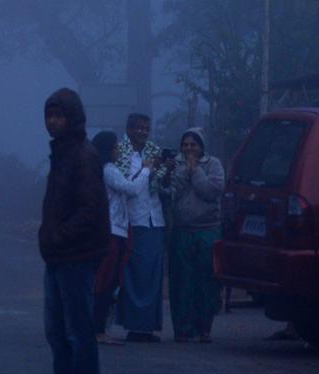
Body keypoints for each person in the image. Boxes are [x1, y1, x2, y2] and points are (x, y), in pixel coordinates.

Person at [34, 89, 109, 374]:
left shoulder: (84, 155)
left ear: (73, 117)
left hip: (77, 257)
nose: (53, 121)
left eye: (59, 115)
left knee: (79, 334)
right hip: (58, 257)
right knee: (57, 332)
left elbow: (90, 211)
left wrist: (56, 238)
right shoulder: (61, 154)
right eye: (50, 115)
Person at [91, 130, 149, 345]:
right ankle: (98, 329)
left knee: (109, 280)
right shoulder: (109, 170)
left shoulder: (105, 170)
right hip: (113, 230)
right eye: (115, 147)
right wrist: (145, 172)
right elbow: (131, 189)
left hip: (117, 229)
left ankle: (99, 327)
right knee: (105, 281)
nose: (119, 150)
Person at [167, 128, 225, 343]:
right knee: (182, 282)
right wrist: (184, 170)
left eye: (194, 145)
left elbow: (211, 191)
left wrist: (196, 171)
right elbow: (174, 192)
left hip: (208, 229)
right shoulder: (175, 164)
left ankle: (204, 328)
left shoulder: (214, 164)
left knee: (206, 282)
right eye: (186, 145)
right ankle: (182, 329)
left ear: (202, 146)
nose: (189, 148)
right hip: (182, 230)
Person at [115, 112, 169, 343]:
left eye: (146, 128)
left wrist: (164, 169)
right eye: (138, 128)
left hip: (154, 219)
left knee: (153, 274)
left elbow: (160, 184)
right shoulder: (120, 152)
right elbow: (127, 185)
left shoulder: (155, 151)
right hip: (133, 219)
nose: (143, 132)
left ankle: (147, 327)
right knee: (136, 274)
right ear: (129, 130)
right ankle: (134, 325)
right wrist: (146, 170)